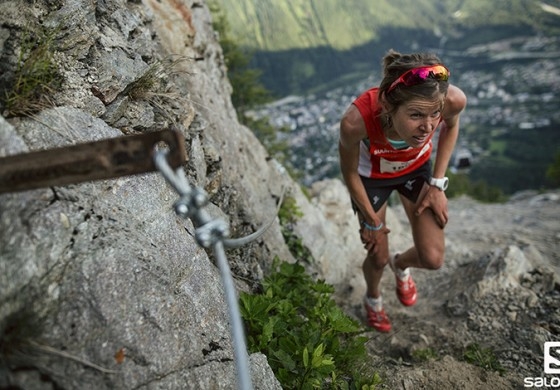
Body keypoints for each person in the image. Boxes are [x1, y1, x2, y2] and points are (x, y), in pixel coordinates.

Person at [338, 49, 467, 332]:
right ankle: (373, 299)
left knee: (432, 258)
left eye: (435, 113)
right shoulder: (356, 122)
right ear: (387, 105)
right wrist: (371, 220)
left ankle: (401, 264)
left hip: (416, 170)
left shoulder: (451, 100)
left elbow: (451, 127)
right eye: (416, 115)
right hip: (370, 177)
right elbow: (348, 172)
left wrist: (437, 183)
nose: (428, 126)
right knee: (377, 255)